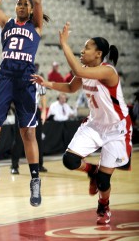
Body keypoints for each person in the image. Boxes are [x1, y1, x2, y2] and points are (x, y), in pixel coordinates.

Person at [31, 22, 132, 224]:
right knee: (70, 160)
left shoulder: (108, 71)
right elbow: (70, 87)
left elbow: (78, 70)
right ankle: (92, 171)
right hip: (95, 124)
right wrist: (47, 84)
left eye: (87, 48)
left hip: (116, 129)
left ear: (98, 54)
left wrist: (64, 44)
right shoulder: (84, 70)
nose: (82, 50)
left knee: (104, 182)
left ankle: (104, 206)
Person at [0, 0, 49, 207]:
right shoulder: (8, 24)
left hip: (25, 81)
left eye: (26, 4)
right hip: (5, 78)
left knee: (28, 132)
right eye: (19, 3)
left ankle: (34, 180)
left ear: (32, 10)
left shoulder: (36, 27)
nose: (22, 6)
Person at [11, 81, 48, 174]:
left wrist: (44, 112)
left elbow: (43, 95)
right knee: (18, 139)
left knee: (37, 138)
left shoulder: (38, 81)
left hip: (35, 110)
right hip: (21, 111)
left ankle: (39, 165)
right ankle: (14, 166)